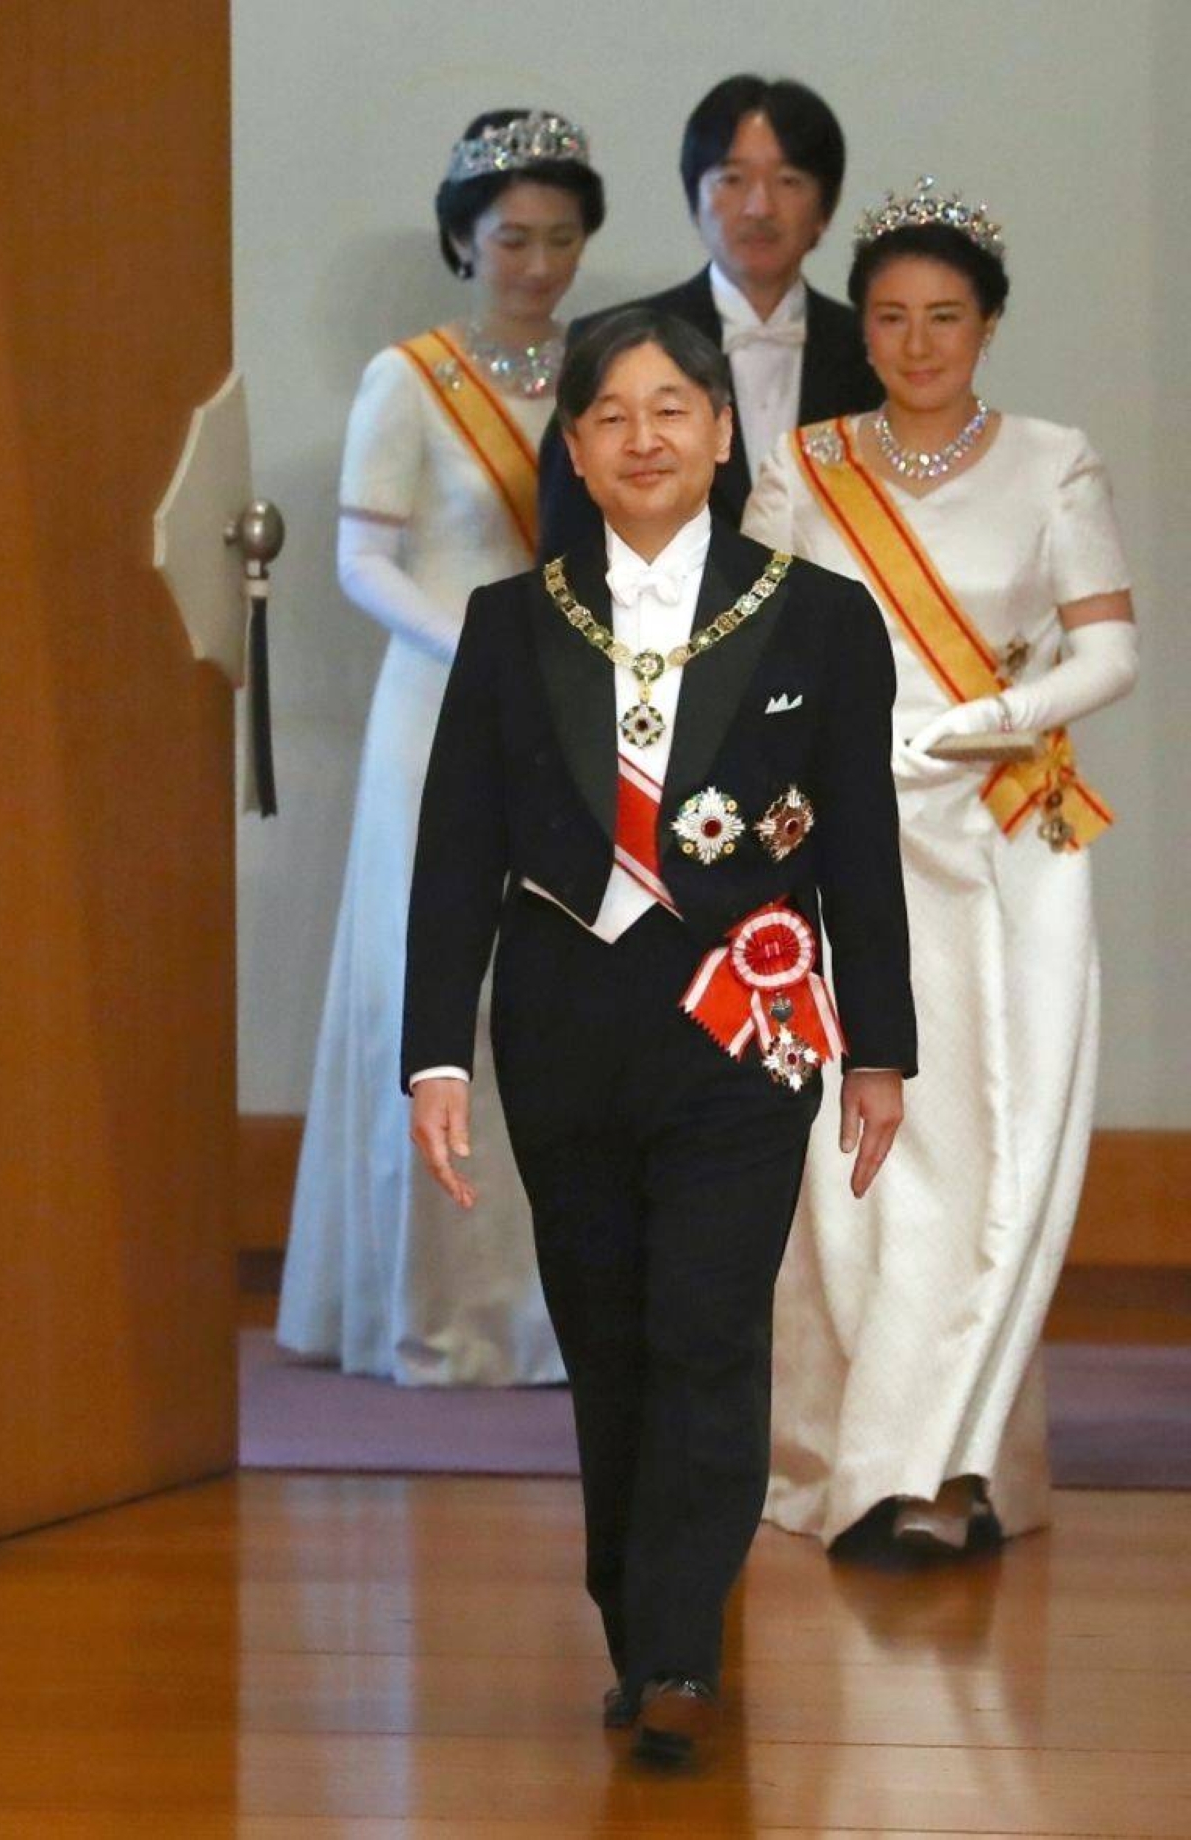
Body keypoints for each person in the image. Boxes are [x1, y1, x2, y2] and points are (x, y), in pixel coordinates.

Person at [403, 308, 915, 1761]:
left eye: (673, 407)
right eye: (612, 415)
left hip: (741, 1027)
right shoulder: (513, 621)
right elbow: (457, 852)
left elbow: (861, 850)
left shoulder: (818, 617)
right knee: (609, 1335)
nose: (645, 438)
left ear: (722, 431)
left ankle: (684, 1652)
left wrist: (880, 1047)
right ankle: (637, 1626)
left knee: (708, 1324)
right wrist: (435, 1053)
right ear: (573, 447)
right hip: (564, 1024)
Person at [743, 178, 1139, 1554]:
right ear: (864, 326)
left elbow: (1110, 646)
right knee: (852, 1164)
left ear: (989, 324)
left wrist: (1000, 718)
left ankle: (953, 1466)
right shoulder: (806, 466)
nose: (918, 344)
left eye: (947, 318)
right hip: (840, 844)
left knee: (991, 1148)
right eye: (893, 318)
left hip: (1002, 838)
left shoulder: (1053, 461)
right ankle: (860, 1463)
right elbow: (751, 641)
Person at [276, 111, 605, 1382]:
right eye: (513, 238)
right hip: (439, 709)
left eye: (562, 238)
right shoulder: (407, 380)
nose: (538, 263)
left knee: (559, 991)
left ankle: (549, 1311)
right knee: (435, 991)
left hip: (575, 712)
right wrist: (480, 648)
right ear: (463, 240)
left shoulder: (606, 370)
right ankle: (431, 1307)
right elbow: (363, 559)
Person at [537, 73, 880, 559]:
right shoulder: (611, 343)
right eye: (731, 180)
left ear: (826, 208)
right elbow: (568, 542)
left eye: (788, 181)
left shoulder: (874, 349)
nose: (759, 207)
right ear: (694, 199)